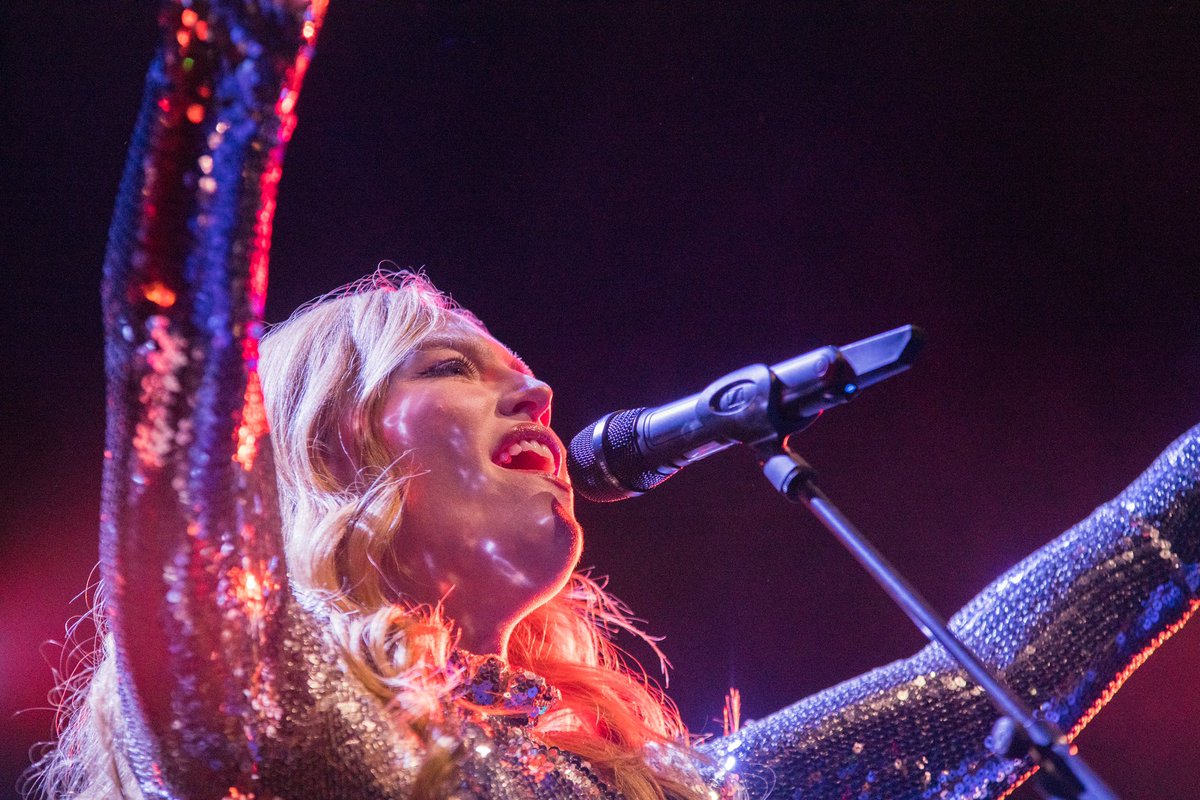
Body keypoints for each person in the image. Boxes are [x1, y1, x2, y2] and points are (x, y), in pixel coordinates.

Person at [26, 2, 1200, 799]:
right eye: (449, 367)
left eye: (511, 363)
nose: (533, 384)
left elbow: (977, 688)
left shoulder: (644, 779)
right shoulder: (257, 696)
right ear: (322, 455)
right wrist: (244, 33)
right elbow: (168, 330)